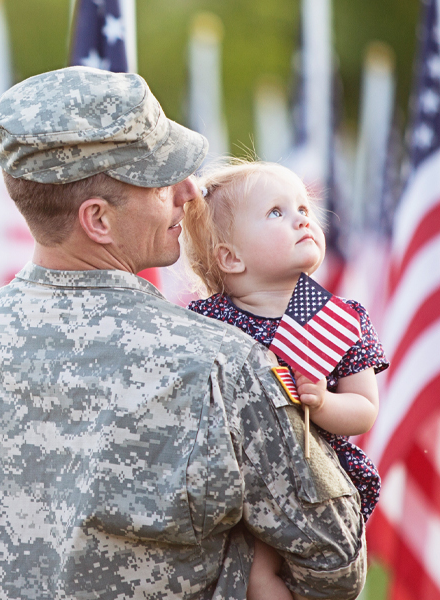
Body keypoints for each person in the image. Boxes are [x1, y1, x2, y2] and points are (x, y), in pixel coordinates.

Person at [0, 66, 365, 600]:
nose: (190, 191)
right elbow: (335, 562)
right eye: (161, 179)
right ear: (98, 220)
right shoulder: (221, 366)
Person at [181, 161, 387, 600]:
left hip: (314, 483)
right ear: (230, 257)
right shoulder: (209, 322)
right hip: (236, 480)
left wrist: (323, 404)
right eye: (276, 212)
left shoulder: (339, 319)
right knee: (256, 576)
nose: (301, 218)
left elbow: (364, 410)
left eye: (302, 207)